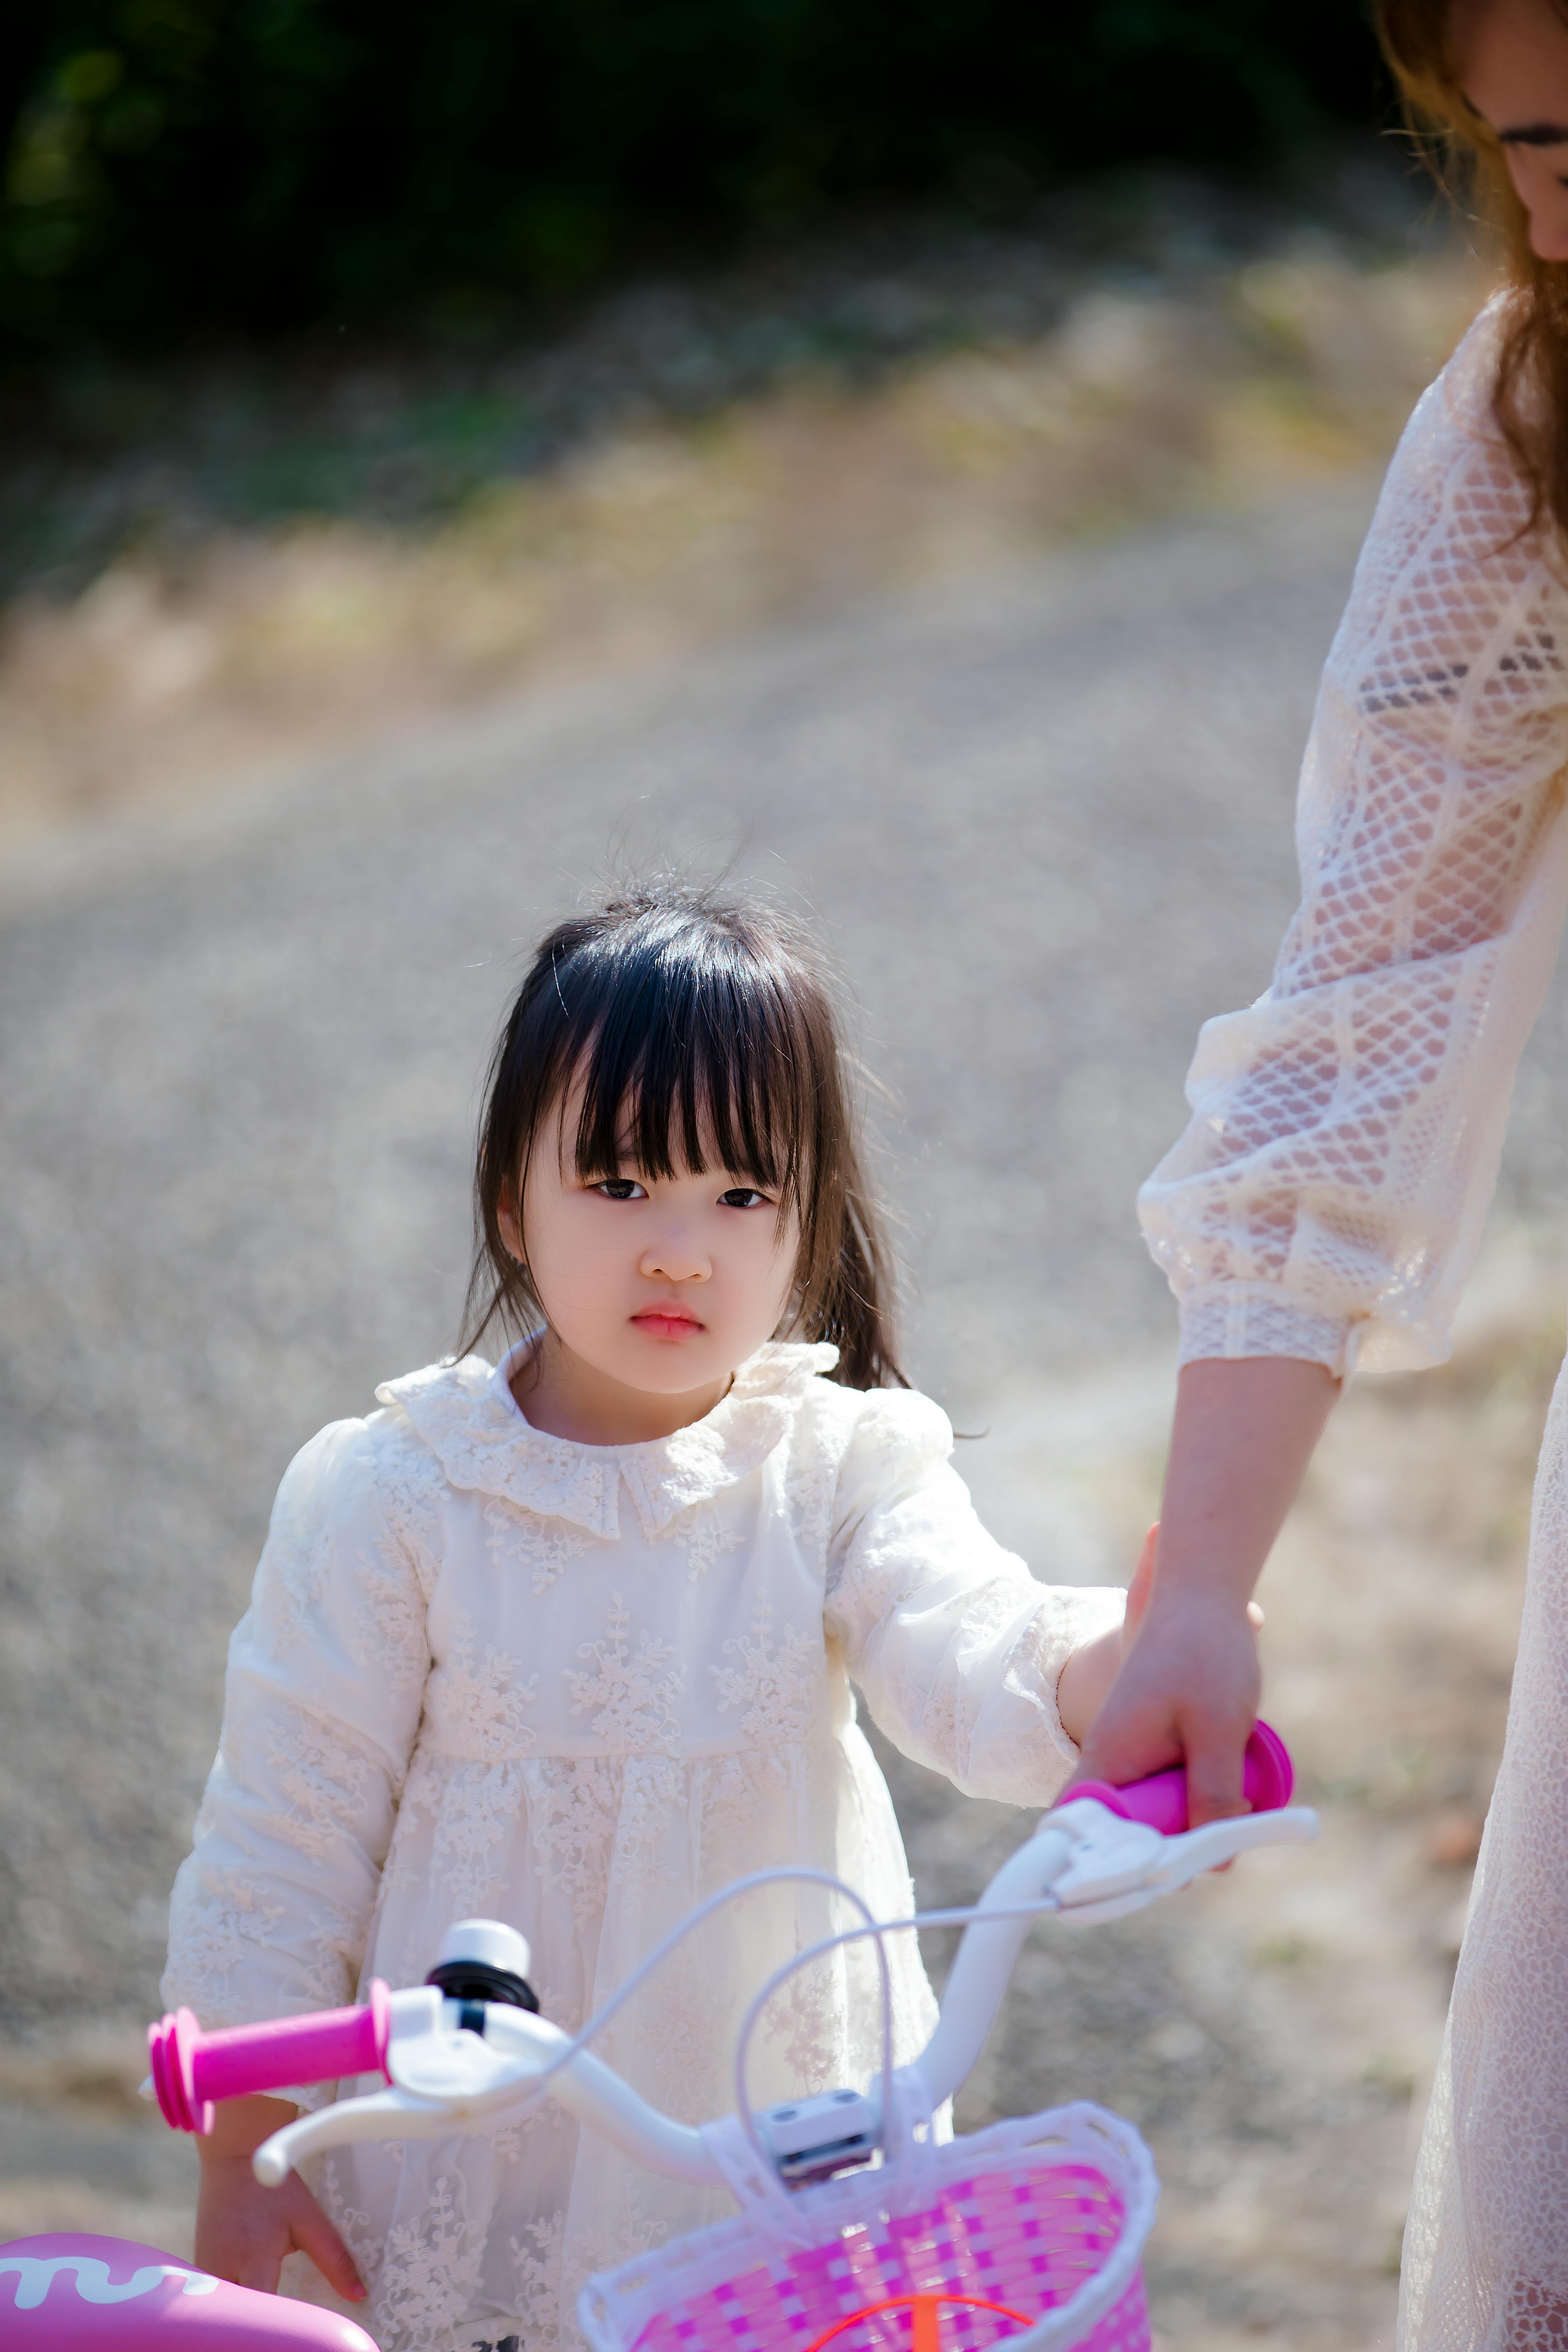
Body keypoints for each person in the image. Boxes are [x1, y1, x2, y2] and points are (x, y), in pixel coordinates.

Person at [162, 882, 1133, 2352]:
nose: (681, 1249)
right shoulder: (397, 1494)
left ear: (805, 1223)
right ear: (510, 1198)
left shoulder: (834, 1471)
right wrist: (247, 2149)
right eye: (620, 1184)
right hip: (476, 2127)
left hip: (763, 2120)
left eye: (741, 1196)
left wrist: (1100, 1665)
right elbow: (284, 1832)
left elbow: (963, 1634)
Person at [1071, 1, 1568, 2343]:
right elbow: (1363, 996)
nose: (1564, 197)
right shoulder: (1524, 436)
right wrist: (1199, 1583)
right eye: (1537, 141)